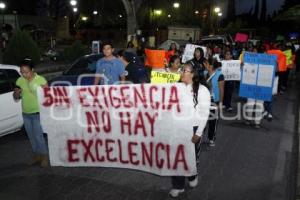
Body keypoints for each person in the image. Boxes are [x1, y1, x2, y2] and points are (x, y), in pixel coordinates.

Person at [169, 63, 210, 198]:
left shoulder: (202, 90)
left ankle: (192, 175)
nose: (180, 71)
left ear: (192, 74)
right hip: (177, 127)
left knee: (190, 156)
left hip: (193, 128)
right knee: (177, 156)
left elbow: (204, 113)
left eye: (184, 70)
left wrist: (198, 133)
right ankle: (178, 185)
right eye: (180, 69)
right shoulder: (175, 87)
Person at [13, 58, 49, 167]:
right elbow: (16, 97)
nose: (24, 74)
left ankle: (44, 156)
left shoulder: (41, 80)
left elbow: (48, 96)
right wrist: (17, 93)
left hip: (38, 113)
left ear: (32, 70)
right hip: (26, 113)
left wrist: (45, 90)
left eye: (26, 72)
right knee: (31, 136)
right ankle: (37, 155)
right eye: (22, 72)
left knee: (38, 136)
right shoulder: (19, 81)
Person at [204, 58, 224, 147]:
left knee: (213, 121)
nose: (205, 65)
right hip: (204, 100)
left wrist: (220, 102)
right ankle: (200, 136)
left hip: (214, 101)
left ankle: (211, 138)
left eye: (207, 64)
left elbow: (221, 90)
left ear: (211, 66)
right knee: (203, 119)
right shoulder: (204, 74)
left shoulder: (220, 75)